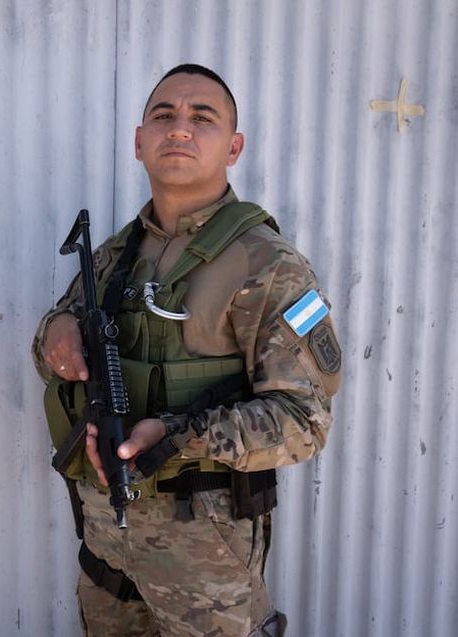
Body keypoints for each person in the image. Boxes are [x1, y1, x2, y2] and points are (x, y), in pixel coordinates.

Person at [33, 64, 341, 636]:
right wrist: (54, 332)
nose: (180, 129)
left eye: (203, 117)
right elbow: (51, 348)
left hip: (206, 558)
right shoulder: (113, 255)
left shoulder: (268, 264)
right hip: (105, 544)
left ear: (233, 146)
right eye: (163, 116)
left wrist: (181, 434)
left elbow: (305, 421)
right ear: (138, 141)